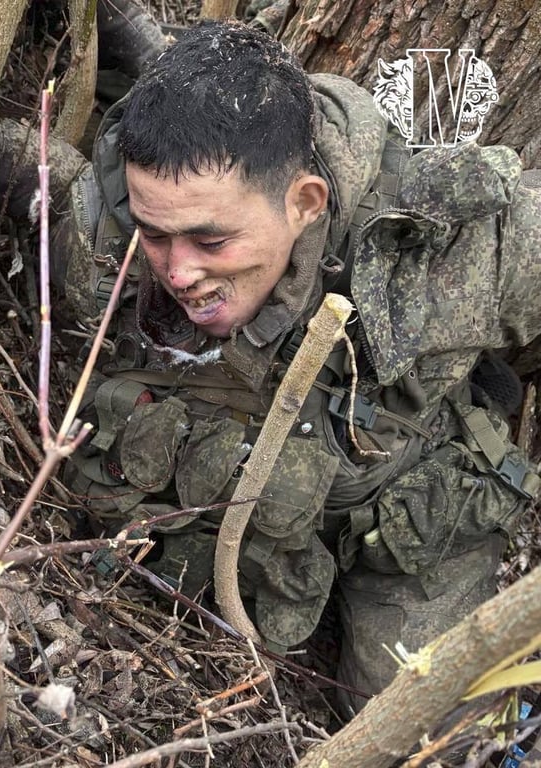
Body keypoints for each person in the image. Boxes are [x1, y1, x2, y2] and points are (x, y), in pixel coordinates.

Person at [51, 20, 541, 714]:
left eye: (211, 239)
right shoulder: (105, 234)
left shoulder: (451, 248)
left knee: (414, 730)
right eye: (156, 234)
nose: (179, 271)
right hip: (213, 506)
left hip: (401, 516)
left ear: (305, 202)